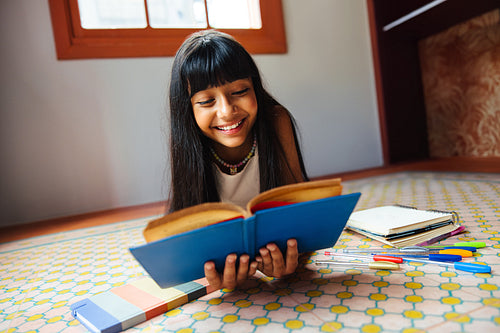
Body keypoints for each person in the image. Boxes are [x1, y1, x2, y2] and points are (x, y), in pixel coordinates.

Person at [168, 30, 309, 290]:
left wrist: (294, 255)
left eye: (240, 91)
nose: (226, 111)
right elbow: (186, 238)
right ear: (188, 109)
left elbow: (298, 208)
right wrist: (211, 269)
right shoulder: (187, 144)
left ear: (255, 86)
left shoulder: (277, 121)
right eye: (206, 100)